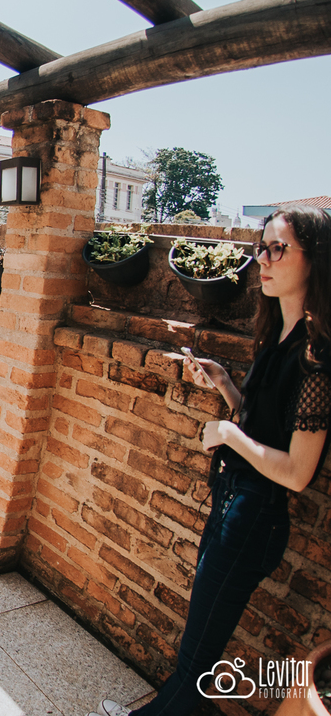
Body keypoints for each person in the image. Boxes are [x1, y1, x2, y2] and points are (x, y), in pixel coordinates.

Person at [93, 205, 330, 716]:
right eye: (260, 248)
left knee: (196, 664)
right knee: (196, 657)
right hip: (233, 503)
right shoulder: (279, 334)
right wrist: (226, 385)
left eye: (278, 249)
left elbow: (297, 471)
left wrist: (226, 434)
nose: (262, 260)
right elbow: (263, 424)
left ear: (317, 260)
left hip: (254, 517)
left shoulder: (315, 356)